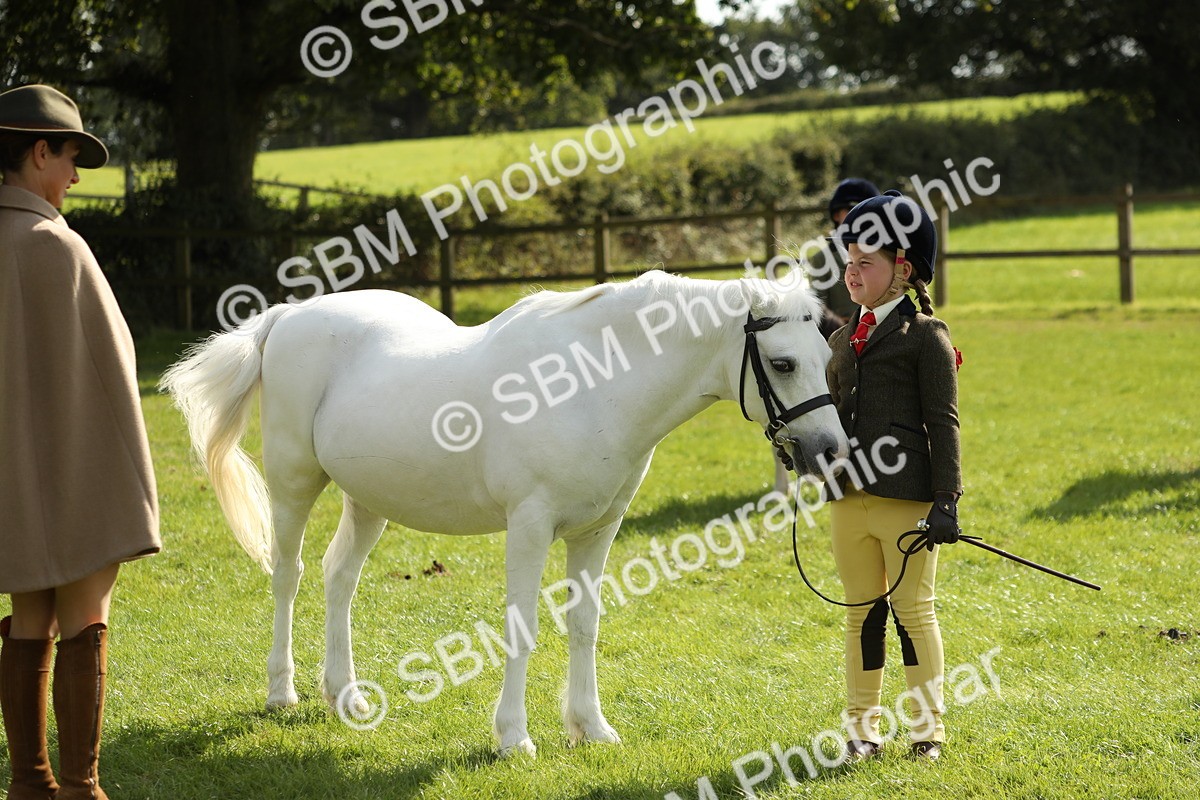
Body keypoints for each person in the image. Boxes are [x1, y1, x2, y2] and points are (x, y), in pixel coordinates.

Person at [0, 84, 161, 800]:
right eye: (69, 157)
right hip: (73, 460)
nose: (74, 175)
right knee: (85, 613)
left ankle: (29, 784)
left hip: (10, 474)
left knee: (29, 613)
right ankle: (80, 787)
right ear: (38, 152)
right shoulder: (55, 246)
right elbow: (112, 364)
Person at [823, 190, 962, 762]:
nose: (853, 273)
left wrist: (947, 500)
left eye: (867, 263)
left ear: (902, 270)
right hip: (845, 500)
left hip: (905, 500)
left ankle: (927, 731)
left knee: (912, 611)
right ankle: (861, 730)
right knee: (860, 611)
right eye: (849, 261)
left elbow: (944, 422)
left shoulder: (926, 336)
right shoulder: (837, 341)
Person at [774, 178, 880, 493]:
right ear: (837, 215)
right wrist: (845, 326)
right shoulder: (822, 257)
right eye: (849, 211)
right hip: (836, 338)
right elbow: (816, 303)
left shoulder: (881, 252)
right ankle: (792, 476)